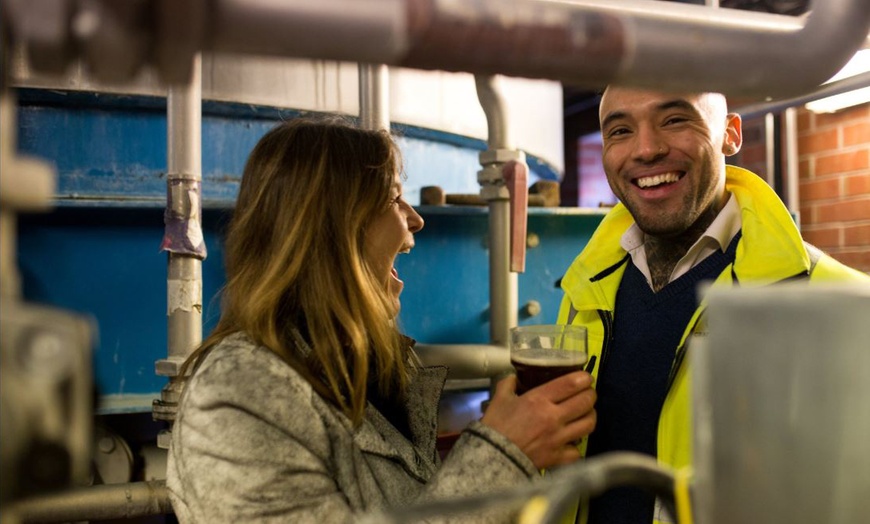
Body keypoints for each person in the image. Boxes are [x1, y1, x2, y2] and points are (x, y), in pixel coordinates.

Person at [166, 116, 598, 523]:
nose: (415, 219)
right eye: (393, 198)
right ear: (334, 227)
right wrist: (502, 455)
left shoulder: (363, 372)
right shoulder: (241, 393)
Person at [557, 86, 870, 524]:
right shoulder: (583, 292)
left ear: (731, 134)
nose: (646, 149)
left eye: (674, 120)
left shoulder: (833, 300)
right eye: (621, 130)